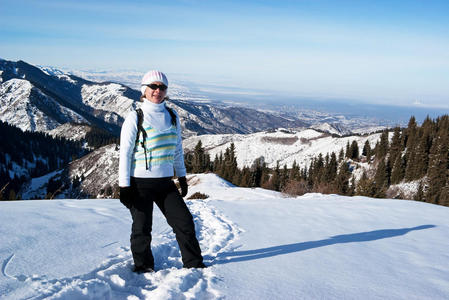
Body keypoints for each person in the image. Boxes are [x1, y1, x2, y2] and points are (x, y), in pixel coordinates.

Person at [118, 70, 205, 273]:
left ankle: (194, 264)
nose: (157, 91)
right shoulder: (135, 117)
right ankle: (143, 266)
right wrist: (124, 186)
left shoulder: (172, 116)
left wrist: (181, 176)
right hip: (139, 183)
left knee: (184, 222)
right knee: (142, 228)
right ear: (144, 90)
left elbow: (177, 149)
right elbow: (125, 154)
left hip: (165, 183)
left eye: (162, 87)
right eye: (153, 86)